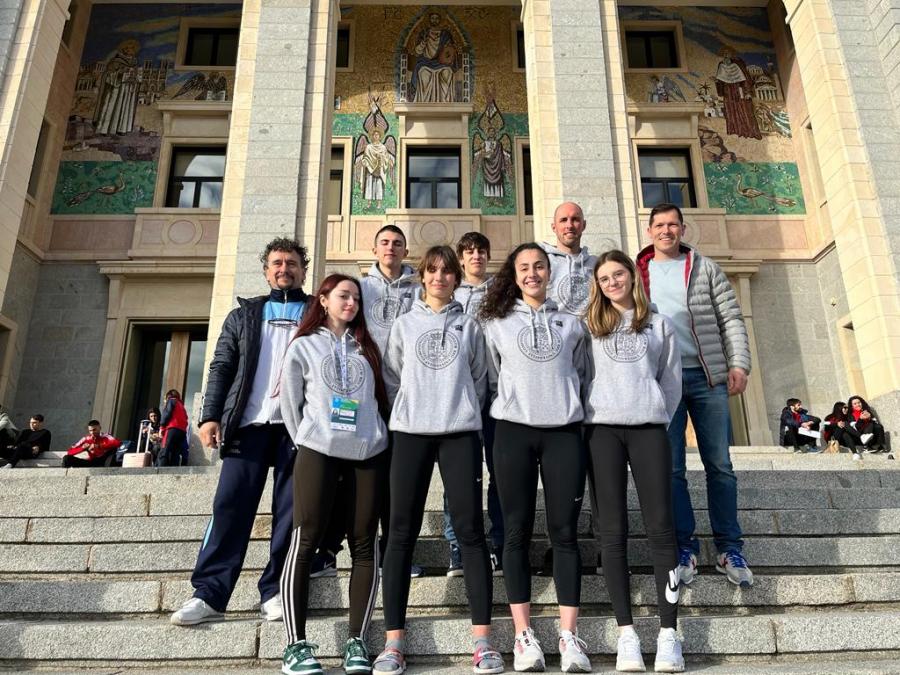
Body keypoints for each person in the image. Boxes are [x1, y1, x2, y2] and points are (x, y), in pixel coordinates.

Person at [373, 246, 502, 675]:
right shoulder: (404, 324)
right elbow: (392, 377)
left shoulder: (469, 325)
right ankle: (394, 643)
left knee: (470, 532)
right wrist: (410, 408)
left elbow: (481, 378)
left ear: (456, 279)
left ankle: (483, 641)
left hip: (459, 433)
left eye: (448, 272)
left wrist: (460, 407)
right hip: (410, 432)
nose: (439, 278)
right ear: (423, 276)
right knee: (400, 533)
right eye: (432, 271)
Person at [170, 238, 309, 626]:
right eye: (277, 263)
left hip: (297, 430)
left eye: (292, 263)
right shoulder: (244, 315)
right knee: (229, 506)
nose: (284, 269)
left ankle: (276, 591)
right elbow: (221, 366)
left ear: (303, 270)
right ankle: (209, 594)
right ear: (266, 271)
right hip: (248, 425)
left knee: (291, 514)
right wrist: (210, 416)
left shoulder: (318, 311)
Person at [479, 242, 592, 673]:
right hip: (513, 432)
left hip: (563, 433)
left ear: (550, 271)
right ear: (514, 274)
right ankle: (523, 635)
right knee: (516, 533)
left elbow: (581, 375)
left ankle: (569, 636)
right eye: (524, 267)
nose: (532, 273)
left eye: (539, 266)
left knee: (565, 533)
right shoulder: (496, 324)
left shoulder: (571, 323)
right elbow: (491, 378)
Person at [635, 203, 753, 588]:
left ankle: (729, 548)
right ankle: (684, 547)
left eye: (673, 224)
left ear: (682, 229)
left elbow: (730, 317)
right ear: (649, 230)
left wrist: (739, 363)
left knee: (720, 464)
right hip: (663, 381)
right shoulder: (637, 272)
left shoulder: (704, 268)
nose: (666, 230)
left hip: (707, 377)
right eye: (659, 225)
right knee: (671, 469)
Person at [278, 274, 390, 675]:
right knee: (305, 540)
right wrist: (310, 437)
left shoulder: (368, 348)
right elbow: (291, 403)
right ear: (323, 300)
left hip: (367, 452)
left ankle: (357, 640)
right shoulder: (304, 346)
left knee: (364, 543)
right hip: (319, 451)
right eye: (344, 296)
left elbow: (379, 399)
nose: (351, 303)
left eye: (356, 298)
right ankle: (295, 645)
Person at [583, 250, 685, 673]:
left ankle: (668, 634)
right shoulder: (588, 326)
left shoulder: (659, 324)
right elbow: (580, 377)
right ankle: (626, 633)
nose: (612, 283)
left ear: (632, 276)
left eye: (618, 274)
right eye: (604, 278)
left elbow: (671, 382)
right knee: (612, 533)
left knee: (661, 528)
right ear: (598, 285)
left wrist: (655, 412)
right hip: (602, 431)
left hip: (648, 430)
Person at [442, 231, 504, 578]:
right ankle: (458, 544)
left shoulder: (503, 292)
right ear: (461, 258)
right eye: (469, 251)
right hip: (458, 396)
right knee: (460, 477)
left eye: (481, 250)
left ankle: (499, 541)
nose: (476, 256)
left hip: (496, 396)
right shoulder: (449, 293)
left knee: (499, 472)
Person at [539, 202, 598, 317]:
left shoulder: (597, 265)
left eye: (575, 219)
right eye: (563, 220)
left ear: (584, 225)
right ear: (554, 227)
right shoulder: (542, 264)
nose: (569, 225)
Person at [159, 389, 189, 466]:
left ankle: (160, 469)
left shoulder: (171, 401)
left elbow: (166, 414)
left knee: (165, 449)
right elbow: (186, 417)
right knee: (175, 453)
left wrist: (162, 427)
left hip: (172, 428)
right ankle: (173, 469)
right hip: (182, 431)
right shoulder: (182, 406)